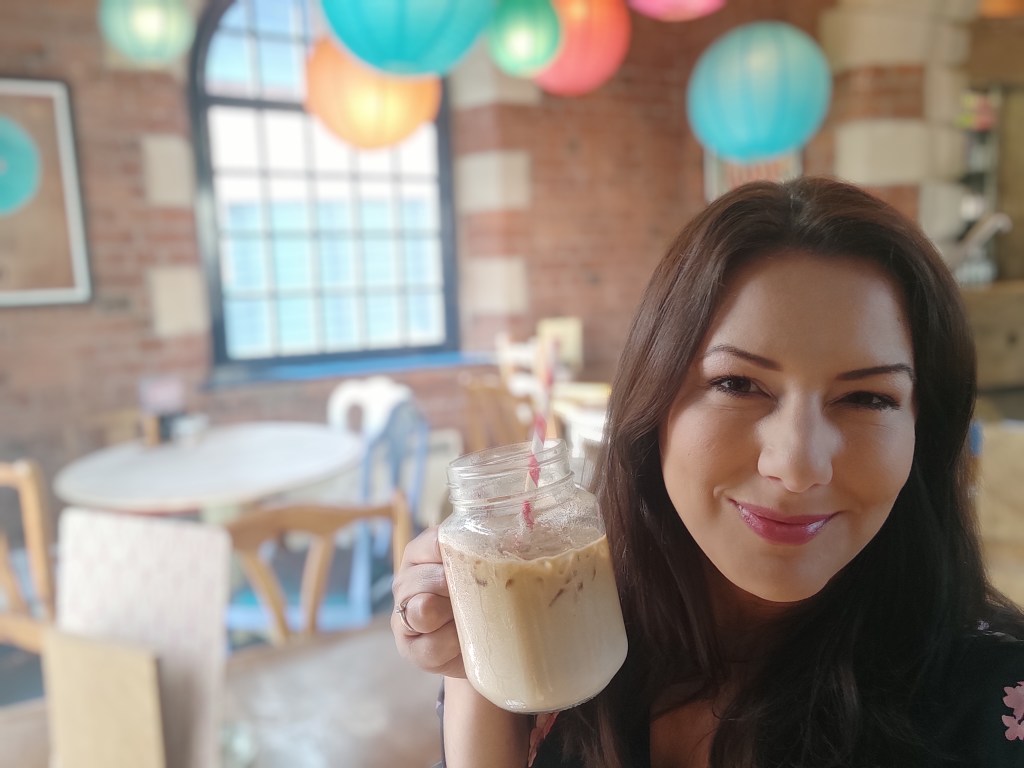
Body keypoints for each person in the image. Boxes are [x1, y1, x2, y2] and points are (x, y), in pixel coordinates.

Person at [391, 176, 1024, 768]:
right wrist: (476, 665)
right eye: (737, 383)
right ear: (654, 405)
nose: (797, 465)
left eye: (867, 398)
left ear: (923, 431)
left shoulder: (994, 701)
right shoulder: (562, 626)